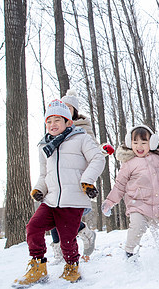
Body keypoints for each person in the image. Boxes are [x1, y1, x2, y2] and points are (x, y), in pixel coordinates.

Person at [13, 100, 105, 287]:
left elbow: (98, 158)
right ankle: (38, 266)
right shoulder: (44, 146)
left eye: (58, 120)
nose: (53, 125)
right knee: (33, 227)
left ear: (68, 122)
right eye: (49, 121)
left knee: (66, 239)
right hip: (51, 199)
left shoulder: (81, 138)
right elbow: (43, 174)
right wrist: (39, 189)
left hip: (73, 200)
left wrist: (87, 181)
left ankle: (72, 266)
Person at [101, 125, 159, 260]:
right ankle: (130, 253)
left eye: (144, 142)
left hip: (157, 207)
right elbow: (120, 186)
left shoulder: (157, 157)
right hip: (138, 205)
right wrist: (110, 201)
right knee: (137, 227)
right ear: (130, 143)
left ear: (152, 142)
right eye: (135, 143)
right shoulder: (129, 163)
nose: (139, 146)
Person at [49, 89, 114, 264]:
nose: (65, 109)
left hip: (76, 178)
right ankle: (59, 250)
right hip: (59, 178)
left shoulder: (83, 128)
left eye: (69, 107)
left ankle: (84, 233)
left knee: (65, 215)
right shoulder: (56, 127)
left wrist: (103, 150)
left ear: (75, 111)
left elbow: (92, 150)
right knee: (54, 212)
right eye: (63, 106)